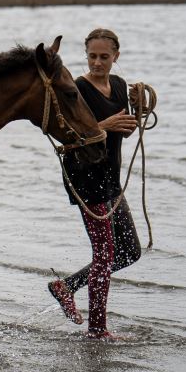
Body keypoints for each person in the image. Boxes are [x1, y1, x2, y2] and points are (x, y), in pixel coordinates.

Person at [48, 27, 142, 340]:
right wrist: (106, 124)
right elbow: (70, 136)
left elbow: (125, 128)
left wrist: (138, 109)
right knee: (104, 253)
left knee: (129, 252)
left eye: (104, 56)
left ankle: (66, 286)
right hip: (84, 176)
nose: (97, 62)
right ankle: (97, 330)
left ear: (116, 56)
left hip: (110, 177)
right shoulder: (77, 88)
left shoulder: (118, 85)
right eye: (92, 56)